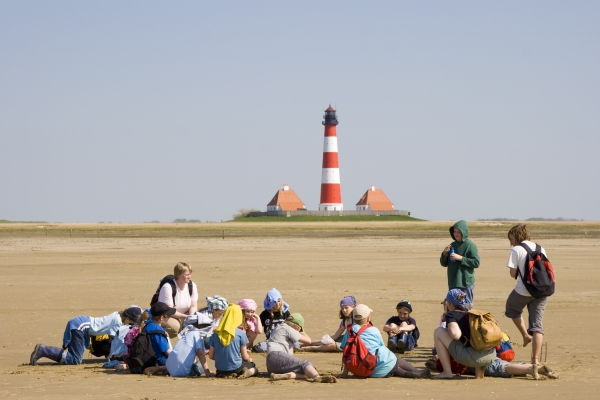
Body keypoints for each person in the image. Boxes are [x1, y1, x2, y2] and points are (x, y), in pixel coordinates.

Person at [505, 224, 551, 378]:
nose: (511, 243)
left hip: (525, 290)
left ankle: (525, 335)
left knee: (512, 308)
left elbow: (512, 274)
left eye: (511, 239)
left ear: (516, 237)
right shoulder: (540, 247)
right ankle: (535, 361)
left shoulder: (516, 249)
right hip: (543, 290)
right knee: (537, 325)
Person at [338, 304, 428, 379]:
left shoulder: (349, 331)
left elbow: (346, 352)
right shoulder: (373, 330)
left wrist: (345, 373)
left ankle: (407, 373)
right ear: (368, 318)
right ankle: (414, 371)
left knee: (392, 367)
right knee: (393, 359)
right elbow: (381, 347)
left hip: (361, 370)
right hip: (379, 367)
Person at [30, 306, 140, 366]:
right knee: (75, 360)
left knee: (75, 357)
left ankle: (44, 350)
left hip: (81, 325)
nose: (131, 325)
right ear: (127, 318)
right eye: (132, 322)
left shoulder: (118, 315)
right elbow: (114, 343)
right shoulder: (117, 322)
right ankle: (43, 350)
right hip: (81, 327)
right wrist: (110, 359)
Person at [432, 289, 495, 379]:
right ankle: (479, 373)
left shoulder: (451, 315)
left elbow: (456, 335)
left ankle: (447, 372)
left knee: (438, 332)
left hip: (473, 359)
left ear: (449, 303)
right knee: (475, 338)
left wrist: (448, 330)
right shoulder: (473, 313)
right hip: (490, 356)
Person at [267, 313, 337, 383]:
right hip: (277, 356)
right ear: (297, 327)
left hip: (271, 365)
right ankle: (317, 377)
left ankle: (288, 375)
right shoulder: (287, 328)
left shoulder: (279, 327)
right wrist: (301, 331)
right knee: (305, 364)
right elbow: (308, 341)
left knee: (306, 372)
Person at [209, 304, 258, 379]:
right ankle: (247, 372)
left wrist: (223, 358)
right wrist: (249, 360)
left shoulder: (216, 333)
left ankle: (226, 373)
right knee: (253, 367)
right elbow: (245, 357)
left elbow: (211, 356)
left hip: (220, 369)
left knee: (231, 366)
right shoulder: (240, 333)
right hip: (236, 366)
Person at [440, 220, 480, 306]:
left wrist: (461, 258)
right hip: (453, 281)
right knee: (452, 306)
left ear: (464, 232)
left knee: (466, 306)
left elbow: (476, 262)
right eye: (454, 231)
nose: (456, 234)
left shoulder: (470, 245)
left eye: (459, 232)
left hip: (465, 282)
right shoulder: (452, 245)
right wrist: (444, 253)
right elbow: (444, 263)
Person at [157, 262, 199, 338]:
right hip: (167, 315)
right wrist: (186, 317)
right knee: (174, 328)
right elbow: (169, 310)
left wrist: (191, 316)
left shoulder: (192, 286)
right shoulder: (168, 287)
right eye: (186, 275)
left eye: (190, 274)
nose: (189, 277)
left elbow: (193, 305)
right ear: (178, 275)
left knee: (200, 324)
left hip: (185, 314)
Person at [427, 357, 559, 379]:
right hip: (489, 354)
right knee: (501, 364)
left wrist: (436, 365)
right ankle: (540, 369)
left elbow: (460, 369)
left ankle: (529, 370)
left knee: (503, 368)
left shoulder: (444, 362)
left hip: (478, 364)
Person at [142, 302, 175, 375]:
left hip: (147, 359)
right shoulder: (159, 331)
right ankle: (162, 368)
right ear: (162, 318)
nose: (169, 318)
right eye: (168, 316)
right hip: (159, 361)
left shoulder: (146, 326)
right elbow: (167, 352)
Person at [255, 288, 291, 352]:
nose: (277, 304)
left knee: (297, 345)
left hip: (285, 340)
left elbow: (292, 327)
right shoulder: (265, 314)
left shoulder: (286, 313)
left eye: (279, 301)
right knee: (261, 348)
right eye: (274, 302)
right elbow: (256, 328)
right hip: (271, 341)